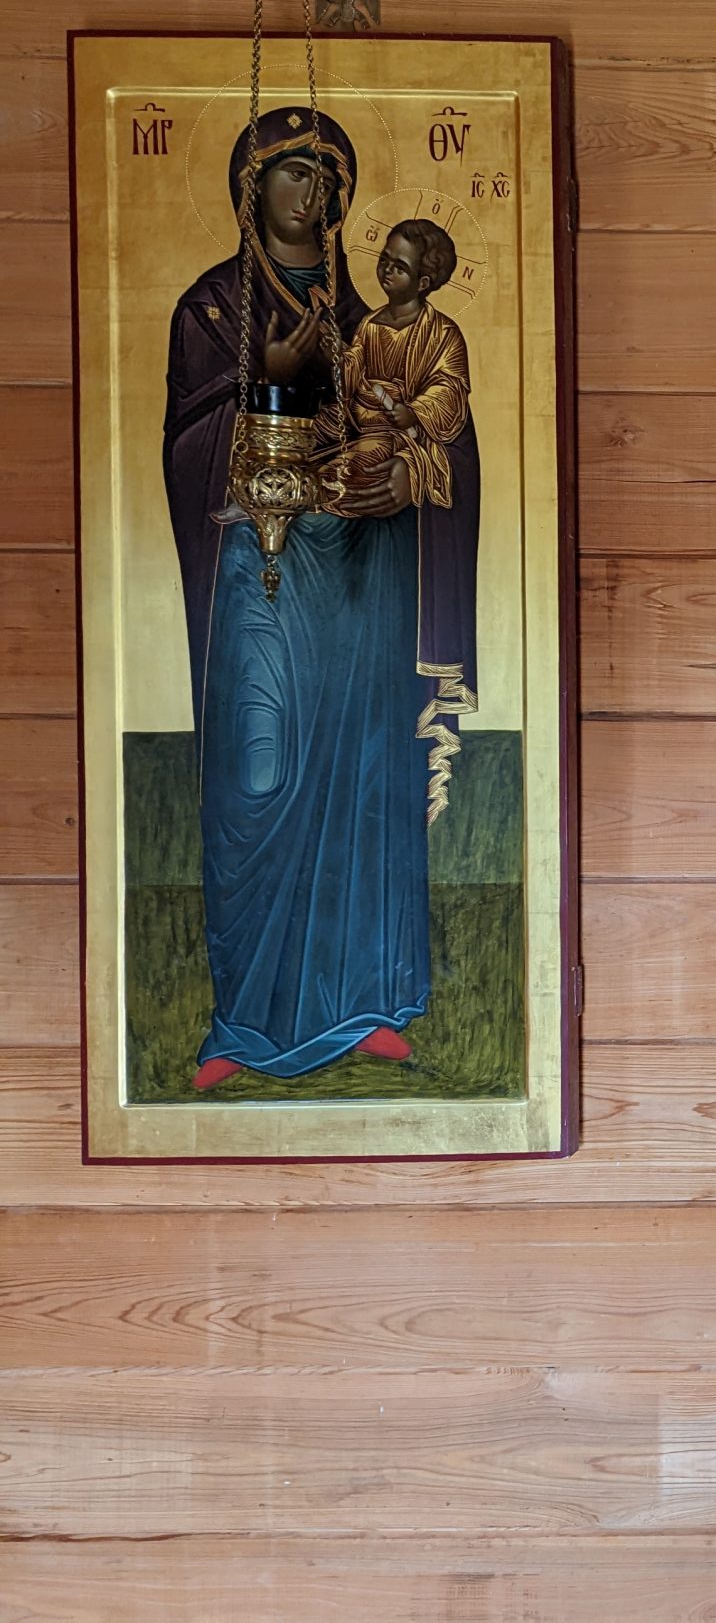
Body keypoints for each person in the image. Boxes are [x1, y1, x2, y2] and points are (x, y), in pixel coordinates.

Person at [161, 109, 481, 1089]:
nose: (312, 192)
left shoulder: (374, 322)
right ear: (250, 187)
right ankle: (243, 1023)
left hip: (358, 583)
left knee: (367, 774)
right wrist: (267, 381)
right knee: (258, 775)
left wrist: (408, 474)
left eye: (326, 177)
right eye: (291, 173)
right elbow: (185, 450)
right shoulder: (211, 311)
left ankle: (366, 1002)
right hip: (258, 583)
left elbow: (446, 435)